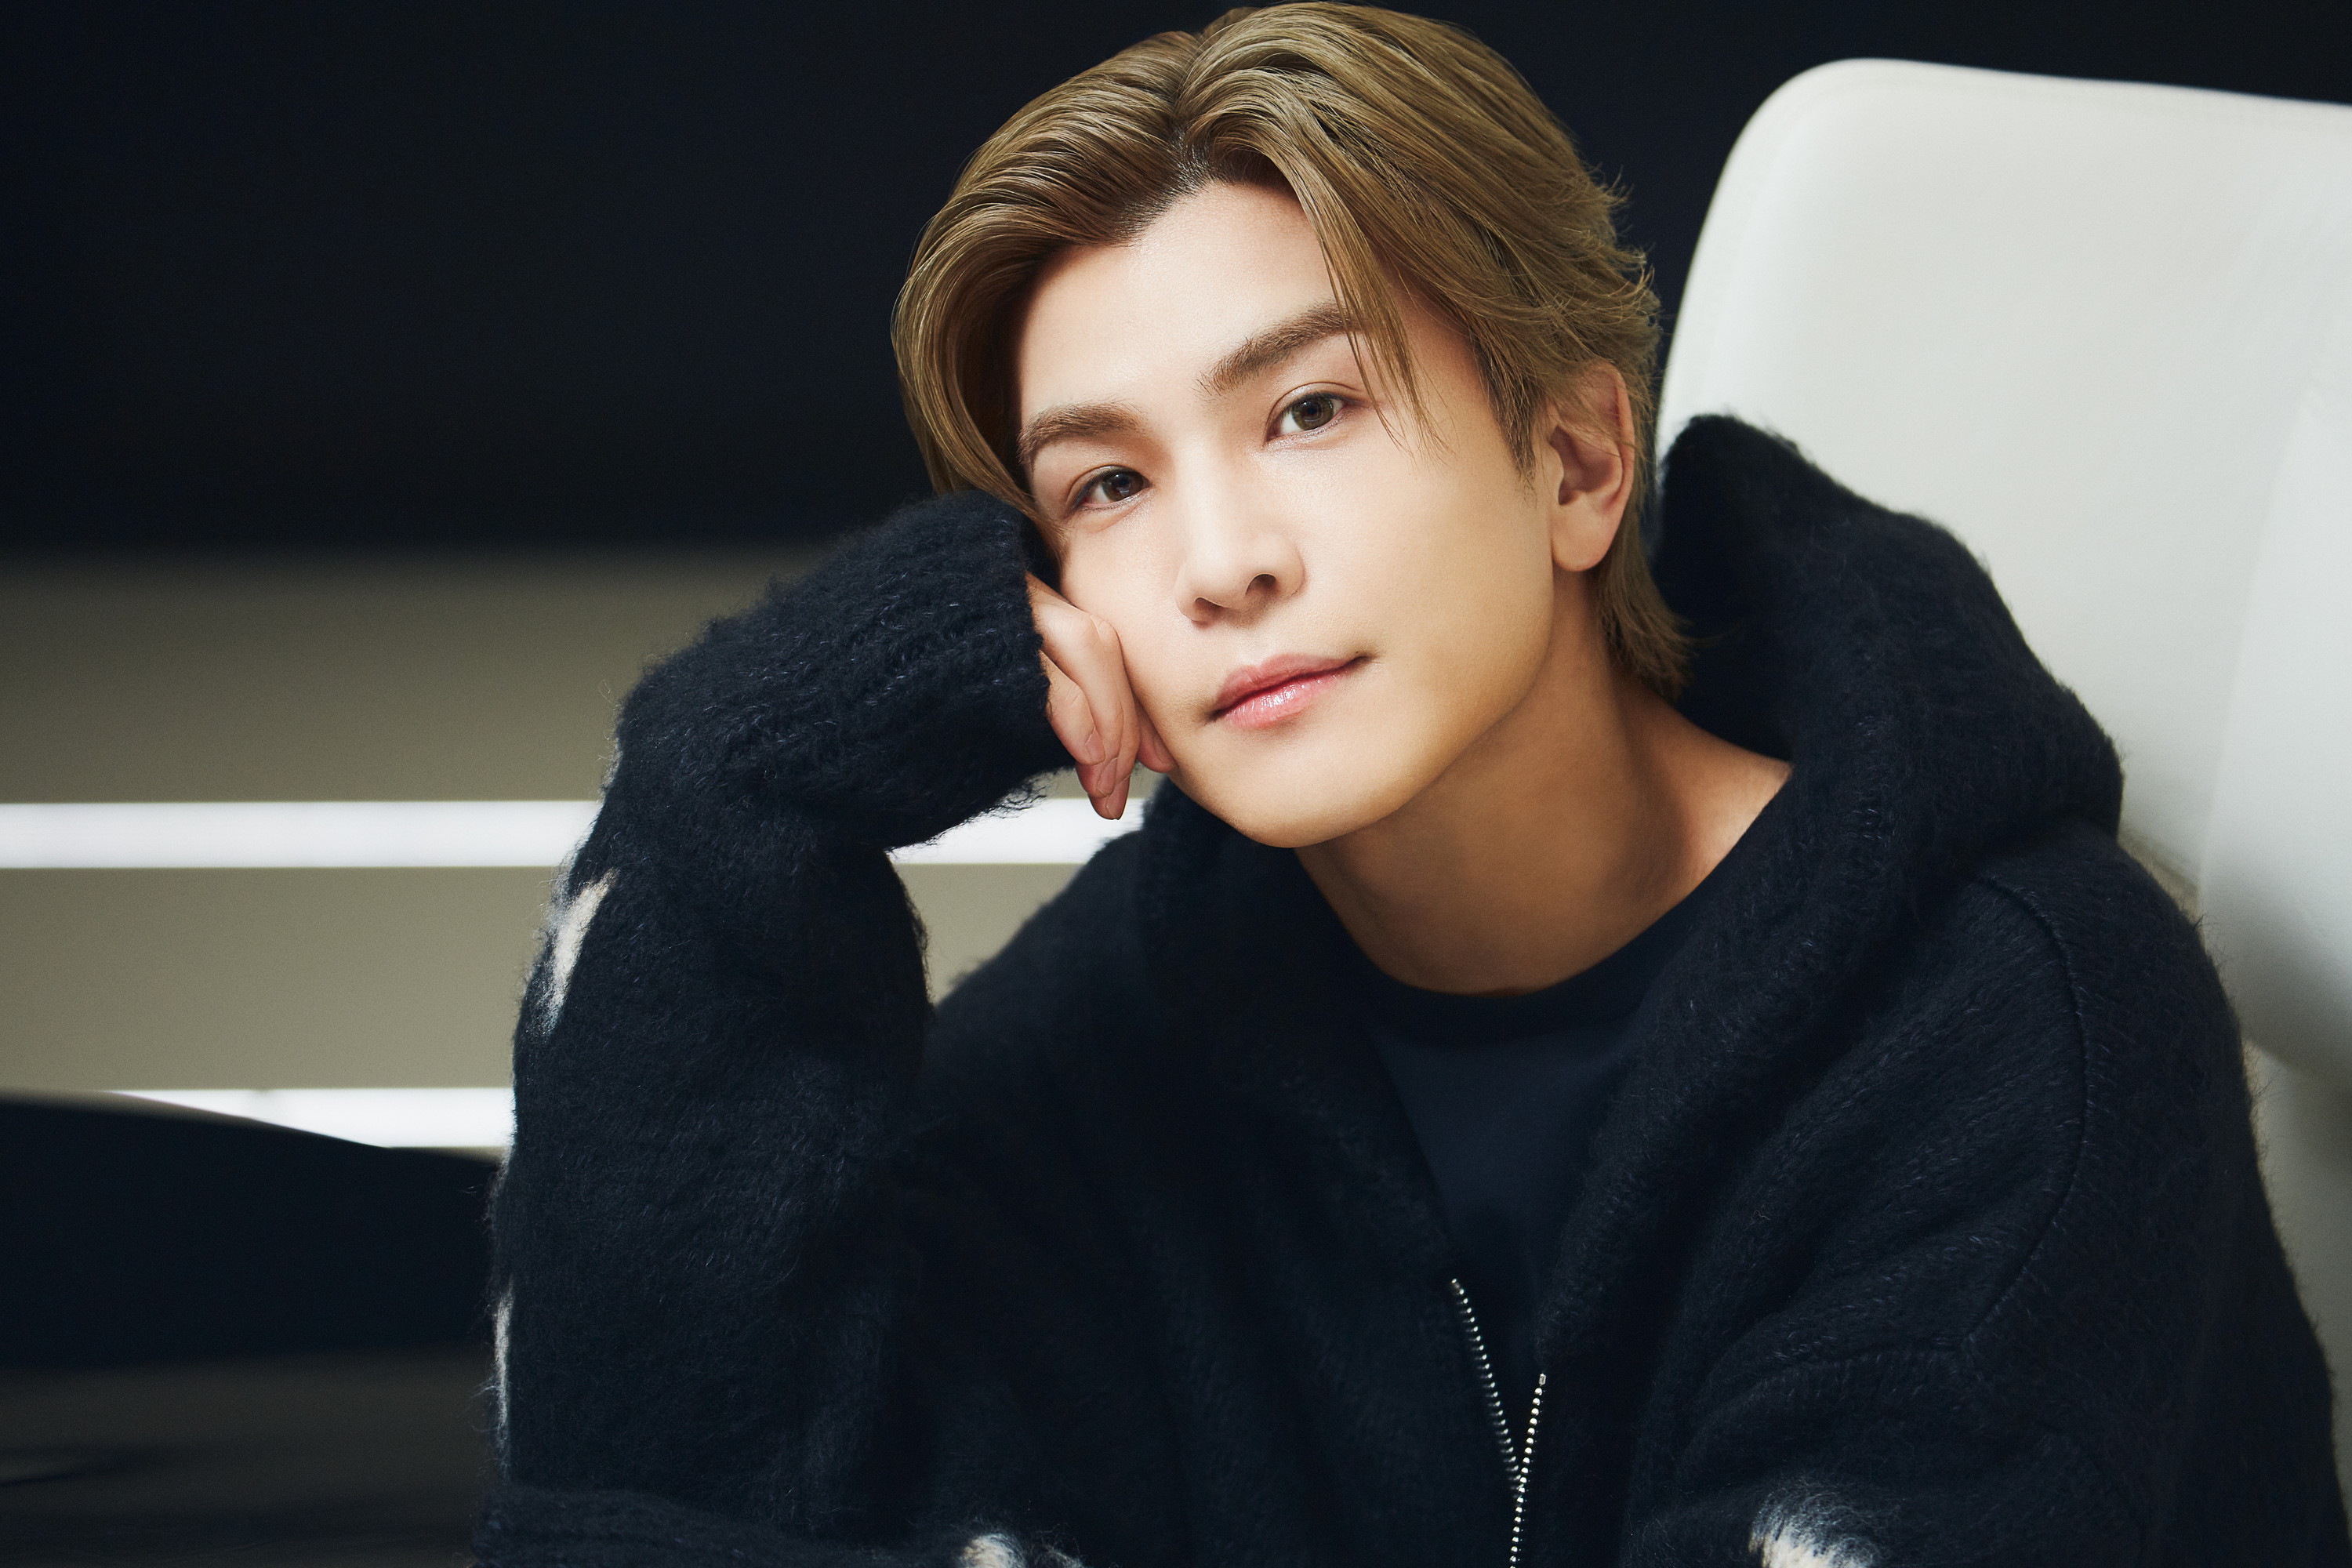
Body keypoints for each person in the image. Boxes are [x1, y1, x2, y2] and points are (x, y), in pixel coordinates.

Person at [474, 7, 2347, 1565]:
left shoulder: (2023, 1031)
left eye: (1311, 408)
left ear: (1578, 463)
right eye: (1107, 485)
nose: (1222, 562)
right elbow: (664, 1500)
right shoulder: (1118, 1031)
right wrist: (736, 783)